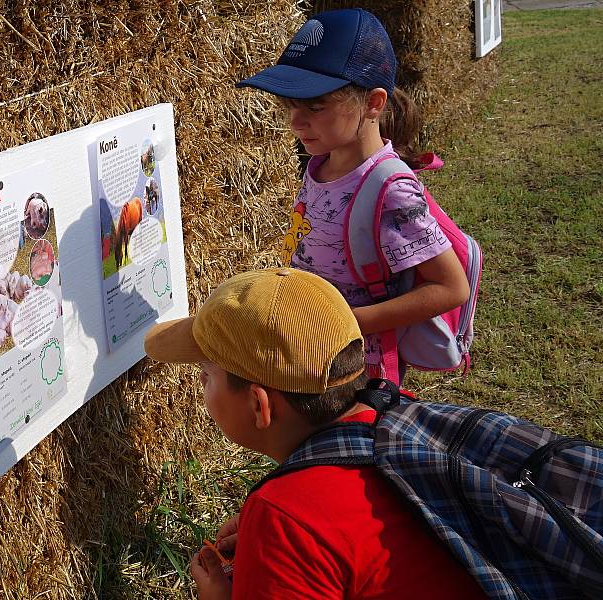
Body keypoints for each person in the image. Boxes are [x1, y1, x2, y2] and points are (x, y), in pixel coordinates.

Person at [143, 267, 487, 599]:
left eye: (206, 376)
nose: (202, 384)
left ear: (258, 406)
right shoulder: (400, 416)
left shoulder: (286, 520)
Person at [236, 9, 469, 382]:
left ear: (374, 103)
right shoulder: (322, 164)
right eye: (290, 105)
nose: (296, 122)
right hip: (311, 348)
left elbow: (450, 287)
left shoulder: (390, 189)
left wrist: (347, 323)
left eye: (315, 106)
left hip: (355, 370)